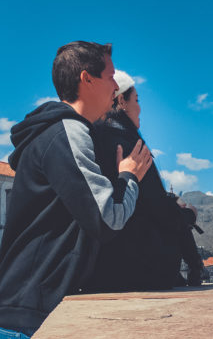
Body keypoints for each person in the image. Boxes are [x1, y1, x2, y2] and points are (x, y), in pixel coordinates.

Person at [0, 42, 153, 339]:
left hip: (29, 304)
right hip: (32, 311)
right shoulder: (67, 132)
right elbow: (108, 219)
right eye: (109, 76)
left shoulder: (56, 132)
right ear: (86, 79)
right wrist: (129, 177)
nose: (115, 85)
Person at [86, 70, 205, 292]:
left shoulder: (93, 137)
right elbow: (157, 209)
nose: (140, 108)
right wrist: (189, 215)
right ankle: (197, 268)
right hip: (138, 268)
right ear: (121, 100)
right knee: (177, 211)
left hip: (100, 267)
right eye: (137, 100)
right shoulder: (129, 144)